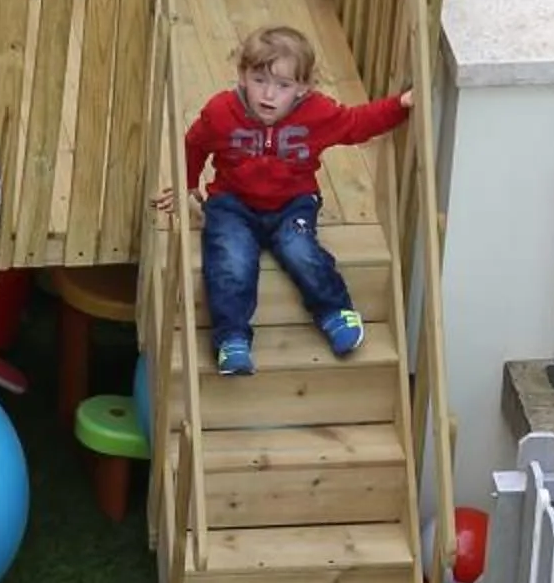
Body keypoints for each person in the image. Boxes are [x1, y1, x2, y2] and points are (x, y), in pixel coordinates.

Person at [176, 25, 412, 377]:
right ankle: (232, 338)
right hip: (232, 204)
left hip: (293, 204)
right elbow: (195, 143)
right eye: (259, 80)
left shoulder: (317, 113)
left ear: (302, 88)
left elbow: (357, 123)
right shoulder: (221, 111)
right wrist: (189, 183)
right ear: (242, 76)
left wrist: (401, 105)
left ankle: (334, 311)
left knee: (300, 250)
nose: (268, 93)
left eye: (283, 86)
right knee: (230, 260)